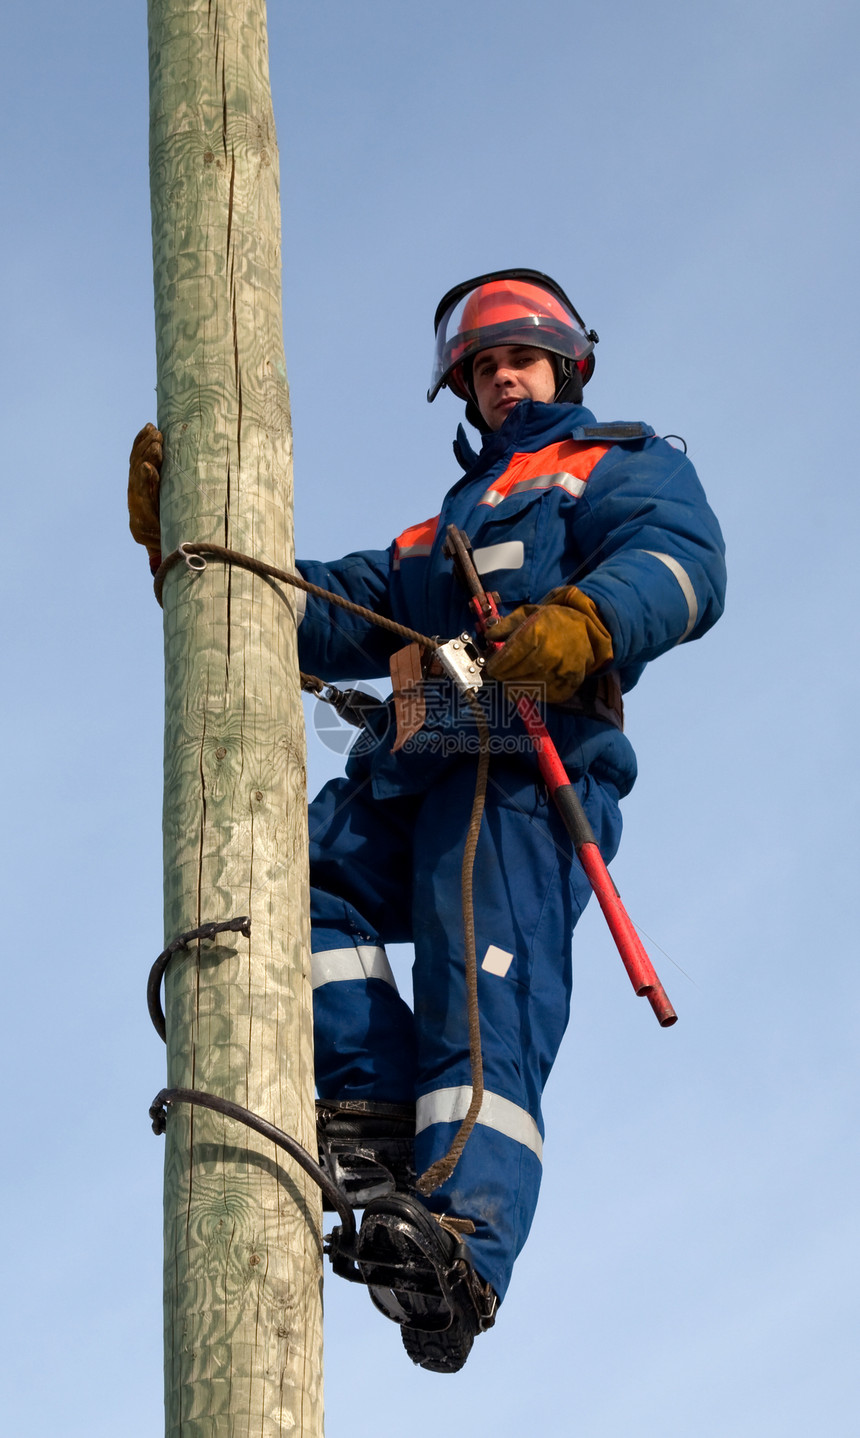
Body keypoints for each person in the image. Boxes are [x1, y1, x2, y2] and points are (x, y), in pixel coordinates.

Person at [129, 268, 726, 1374]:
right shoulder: (438, 531)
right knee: (278, 875)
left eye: (519, 360)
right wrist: (192, 553)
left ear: (564, 364)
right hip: (423, 765)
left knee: (478, 980)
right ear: (463, 386)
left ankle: (462, 1241)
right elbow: (312, 607)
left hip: (523, 775)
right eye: (482, 367)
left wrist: (584, 619)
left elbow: (682, 567)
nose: (502, 378)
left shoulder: (617, 462)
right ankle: (364, 1097)